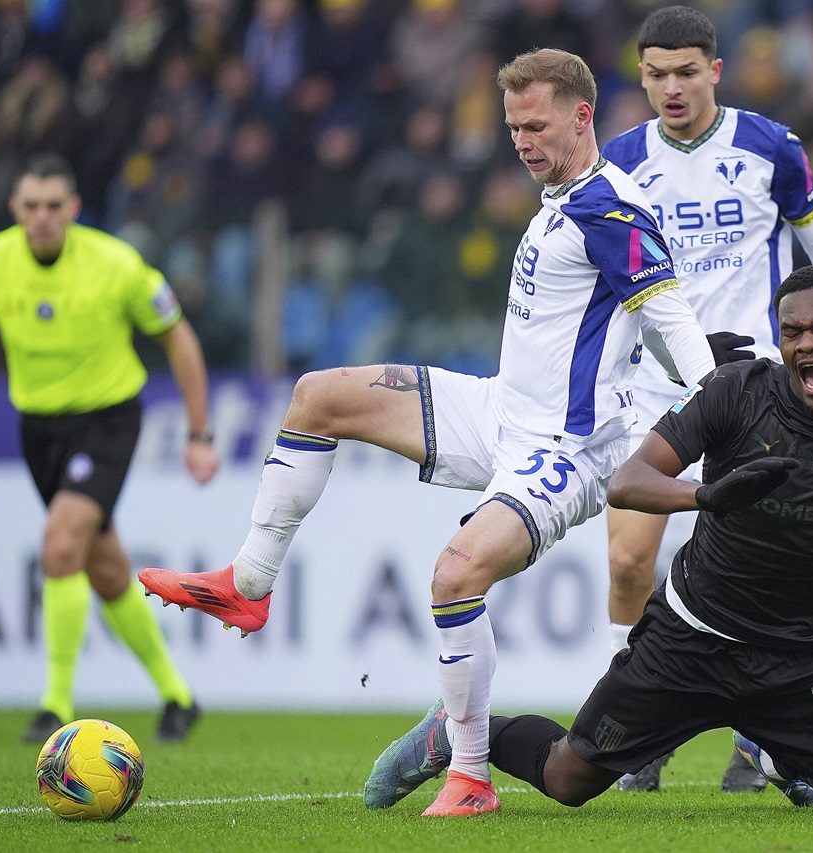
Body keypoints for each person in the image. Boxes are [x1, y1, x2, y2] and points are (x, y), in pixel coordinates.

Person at [139, 48, 722, 818]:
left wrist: (719, 402)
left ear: (583, 116)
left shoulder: (608, 208)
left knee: (454, 577)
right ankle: (249, 584)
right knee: (317, 396)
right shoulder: (563, 194)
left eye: (535, 125)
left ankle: (471, 773)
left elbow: (668, 312)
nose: (520, 141)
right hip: (498, 409)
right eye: (513, 126)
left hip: (564, 449)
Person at [364, 264, 813, 814]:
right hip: (691, 638)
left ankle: (777, 750)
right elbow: (629, 482)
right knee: (568, 779)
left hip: (808, 654)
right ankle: (461, 732)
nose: (806, 343)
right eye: (793, 331)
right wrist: (704, 495)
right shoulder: (735, 390)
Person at [599, 4, 813, 792]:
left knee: (773, 564)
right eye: (656, 74)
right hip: (656, 386)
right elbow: (607, 286)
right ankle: (643, 725)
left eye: (685, 71)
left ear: (714, 70)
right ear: (641, 76)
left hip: (763, 386)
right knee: (630, 559)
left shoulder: (772, 148)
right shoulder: (618, 164)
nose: (671, 87)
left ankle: (760, 737)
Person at [0, 153, 218, 743]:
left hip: (107, 421)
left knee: (61, 542)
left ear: (75, 209)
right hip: (39, 428)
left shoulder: (116, 264)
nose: (42, 218)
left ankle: (54, 704)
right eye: (30, 206)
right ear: (14, 209)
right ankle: (178, 698)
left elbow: (177, 335)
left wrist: (199, 433)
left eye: (54, 206)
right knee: (104, 569)